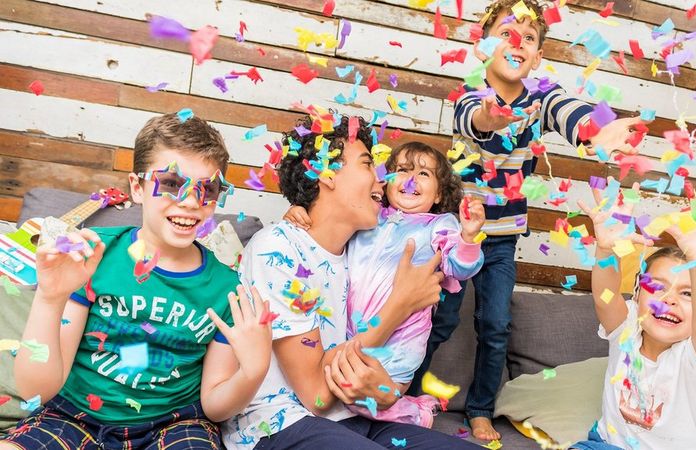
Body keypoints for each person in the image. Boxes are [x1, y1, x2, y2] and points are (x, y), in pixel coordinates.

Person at [411, 0, 649, 440]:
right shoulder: (470, 93)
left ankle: (480, 408)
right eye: (505, 33)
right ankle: (403, 394)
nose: (517, 42)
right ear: (484, 46)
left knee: (495, 326)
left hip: (501, 241)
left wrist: (597, 129)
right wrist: (490, 116)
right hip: (455, 236)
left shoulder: (541, 97)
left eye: (528, 38)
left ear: (537, 57)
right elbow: (475, 119)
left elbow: (568, 110)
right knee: (438, 321)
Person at [0, 113, 273, 449]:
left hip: (175, 425)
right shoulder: (93, 255)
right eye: (171, 183)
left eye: (208, 188)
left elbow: (216, 406)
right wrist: (49, 298)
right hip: (72, 415)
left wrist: (253, 370)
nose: (191, 201)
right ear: (137, 187)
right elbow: (36, 390)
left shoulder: (227, 289)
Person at [222, 110, 482, 449]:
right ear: (327, 174)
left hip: (355, 418)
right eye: (367, 164)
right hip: (282, 422)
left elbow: (389, 370)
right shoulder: (278, 248)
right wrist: (400, 304)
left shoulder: (354, 251)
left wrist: (386, 393)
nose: (382, 179)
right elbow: (317, 397)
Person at [284, 141, 485, 427]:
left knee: (360, 395)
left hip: (402, 337)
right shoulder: (370, 217)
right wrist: (299, 210)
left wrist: (468, 237)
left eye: (424, 174)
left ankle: (416, 412)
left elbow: (460, 267)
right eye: (402, 170)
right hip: (353, 330)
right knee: (343, 386)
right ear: (386, 180)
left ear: (440, 193)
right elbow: (331, 226)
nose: (411, 180)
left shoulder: (439, 225)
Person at [571, 180, 696, 449]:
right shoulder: (627, 330)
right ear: (637, 295)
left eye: (687, 293)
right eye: (657, 287)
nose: (669, 300)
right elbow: (604, 298)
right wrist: (607, 249)